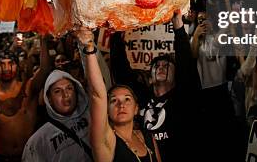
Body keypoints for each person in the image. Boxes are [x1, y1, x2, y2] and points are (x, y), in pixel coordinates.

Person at [110, 10, 200, 161]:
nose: (161, 67)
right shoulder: (141, 98)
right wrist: (117, 35)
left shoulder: (183, 97)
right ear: (150, 78)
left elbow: (187, 65)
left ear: (176, 75)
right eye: (156, 65)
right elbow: (121, 72)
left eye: (167, 65)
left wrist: (178, 28)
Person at [78, 28, 162, 162]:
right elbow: (97, 95)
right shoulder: (105, 142)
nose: (121, 104)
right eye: (113, 101)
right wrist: (89, 48)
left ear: (136, 109)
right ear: (107, 110)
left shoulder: (147, 137)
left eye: (127, 99)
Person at [0, 36, 51, 162]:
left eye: (11, 63)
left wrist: (43, 40)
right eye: (1, 65)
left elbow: (45, 69)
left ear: (17, 66)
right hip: (2, 158)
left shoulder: (28, 88)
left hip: (31, 156)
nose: (6, 68)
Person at [22, 69, 92, 162]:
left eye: (69, 88)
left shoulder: (93, 116)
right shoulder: (39, 140)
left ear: (77, 91)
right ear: (49, 99)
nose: (65, 95)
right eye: (57, 91)